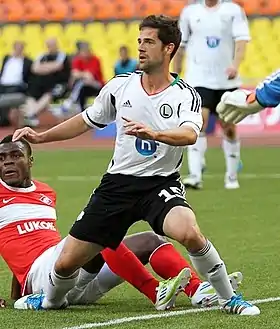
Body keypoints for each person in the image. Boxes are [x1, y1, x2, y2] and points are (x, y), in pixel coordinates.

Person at [12, 15, 259, 315]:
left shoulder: (185, 94)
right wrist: (42, 136)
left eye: (149, 42)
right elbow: (86, 120)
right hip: (117, 185)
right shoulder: (120, 87)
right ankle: (49, 300)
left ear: (169, 49)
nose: (140, 47)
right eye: (139, 41)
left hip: (160, 184)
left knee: (189, 232)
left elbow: (190, 134)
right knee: (65, 264)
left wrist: (156, 134)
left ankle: (228, 297)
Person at [0, 135, 242, 310]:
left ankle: (198, 290)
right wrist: (24, 285)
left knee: (151, 239)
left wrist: (17, 285)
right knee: (101, 232)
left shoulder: (45, 192)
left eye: (15, 155)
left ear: (30, 160)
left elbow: (23, 240)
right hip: (44, 281)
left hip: (72, 275)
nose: (7, 162)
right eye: (1, 158)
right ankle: (155, 292)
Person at [174, 0, 250, 190]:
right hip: (199, 79)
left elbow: (241, 41)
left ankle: (231, 177)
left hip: (226, 80)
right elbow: (180, 46)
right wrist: (175, 75)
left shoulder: (233, 10)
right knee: (199, 123)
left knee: (229, 128)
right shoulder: (189, 12)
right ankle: (195, 175)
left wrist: (235, 65)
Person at [60, 42, 105, 113]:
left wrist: (81, 74)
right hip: (84, 85)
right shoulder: (78, 60)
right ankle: (80, 108)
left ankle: (70, 100)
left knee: (82, 82)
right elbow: (74, 73)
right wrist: (83, 75)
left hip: (97, 84)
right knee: (82, 84)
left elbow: (90, 76)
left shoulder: (95, 60)